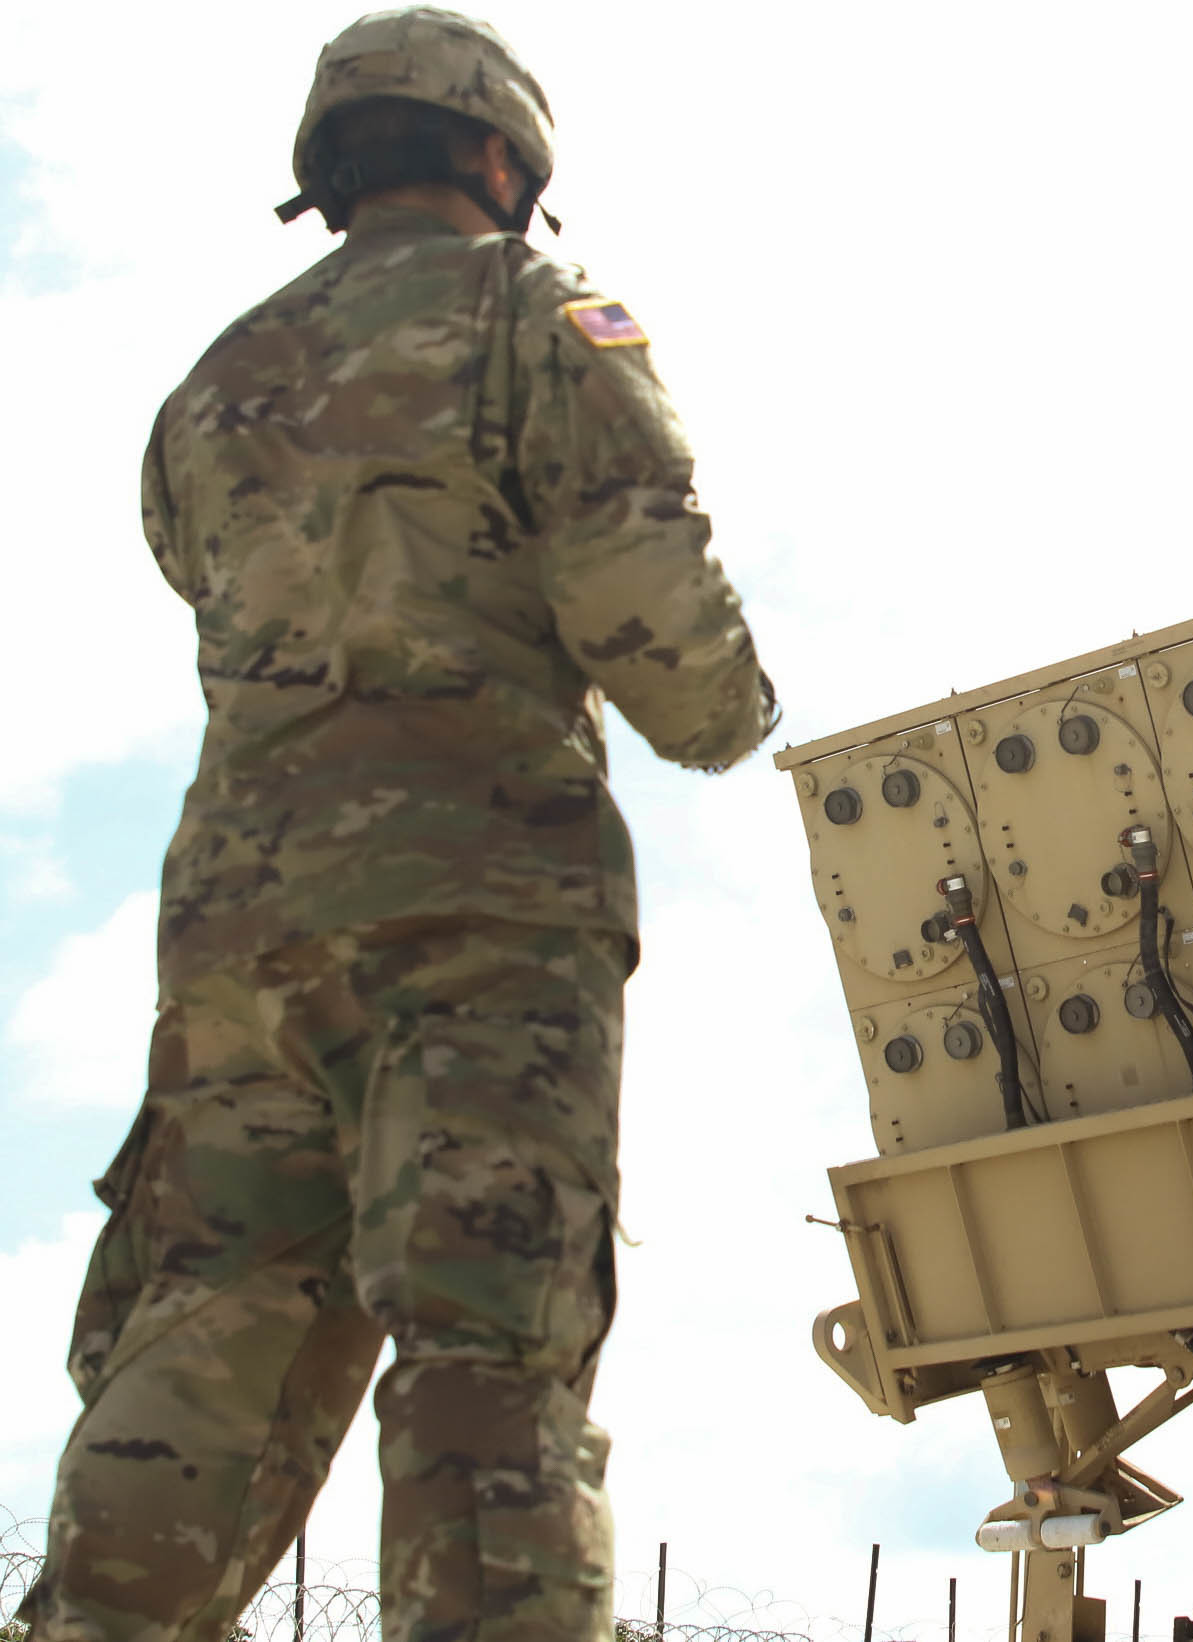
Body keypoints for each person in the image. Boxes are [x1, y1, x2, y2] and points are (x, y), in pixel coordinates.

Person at [20, 9, 777, 1639]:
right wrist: (739, 707)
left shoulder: (216, 382)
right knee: (482, 1347)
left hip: (236, 941)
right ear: (502, 158)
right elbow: (670, 653)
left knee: (202, 1346)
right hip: (479, 920)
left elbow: (197, 573)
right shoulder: (542, 316)